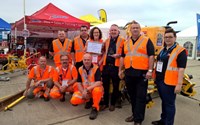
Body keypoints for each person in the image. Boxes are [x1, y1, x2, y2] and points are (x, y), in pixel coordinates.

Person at [119, 20, 155, 125]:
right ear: (130, 30)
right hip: (129, 73)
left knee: (140, 97)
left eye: (137, 28)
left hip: (142, 74)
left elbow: (151, 56)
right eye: (133, 28)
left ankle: (138, 120)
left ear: (140, 29)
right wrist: (120, 70)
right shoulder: (126, 42)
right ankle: (134, 114)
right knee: (132, 96)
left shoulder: (147, 40)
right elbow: (122, 57)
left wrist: (150, 70)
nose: (135, 29)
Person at [152, 28, 187, 125]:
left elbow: (181, 68)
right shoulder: (163, 50)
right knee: (164, 102)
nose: (168, 39)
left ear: (175, 38)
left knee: (169, 104)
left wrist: (179, 84)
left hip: (170, 82)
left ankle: (169, 123)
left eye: (170, 37)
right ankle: (163, 120)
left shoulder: (180, 51)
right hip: (160, 80)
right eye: (166, 37)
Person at [70, 53, 103, 120]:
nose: (86, 61)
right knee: (74, 100)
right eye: (85, 60)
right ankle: (88, 100)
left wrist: (87, 89)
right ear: (82, 60)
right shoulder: (80, 69)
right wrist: (83, 92)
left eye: (88, 60)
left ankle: (95, 108)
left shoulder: (96, 68)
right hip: (85, 91)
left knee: (97, 90)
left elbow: (99, 82)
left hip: (93, 89)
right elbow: (78, 83)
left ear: (91, 60)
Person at [101, 24, 125, 111]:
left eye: (115, 30)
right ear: (109, 31)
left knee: (115, 85)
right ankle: (106, 103)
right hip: (106, 66)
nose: (113, 32)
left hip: (116, 66)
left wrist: (119, 55)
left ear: (118, 31)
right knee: (105, 85)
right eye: (112, 30)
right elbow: (103, 51)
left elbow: (126, 53)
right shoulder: (107, 40)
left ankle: (113, 103)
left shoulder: (123, 40)